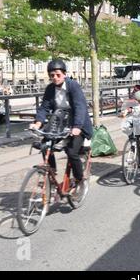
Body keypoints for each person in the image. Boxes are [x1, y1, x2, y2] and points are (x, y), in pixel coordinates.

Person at [29, 59, 93, 194]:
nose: (55, 78)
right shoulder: (50, 89)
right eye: (52, 75)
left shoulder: (73, 86)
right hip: (60, 123)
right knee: (45, 145)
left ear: (64, 74)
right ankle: (51, 172)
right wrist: (38, 123)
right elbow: (44, 107)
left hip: (78, 124)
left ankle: (79, 179)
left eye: (58, 75)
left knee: (71, 152)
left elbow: (80, 106)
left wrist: (77, 126)